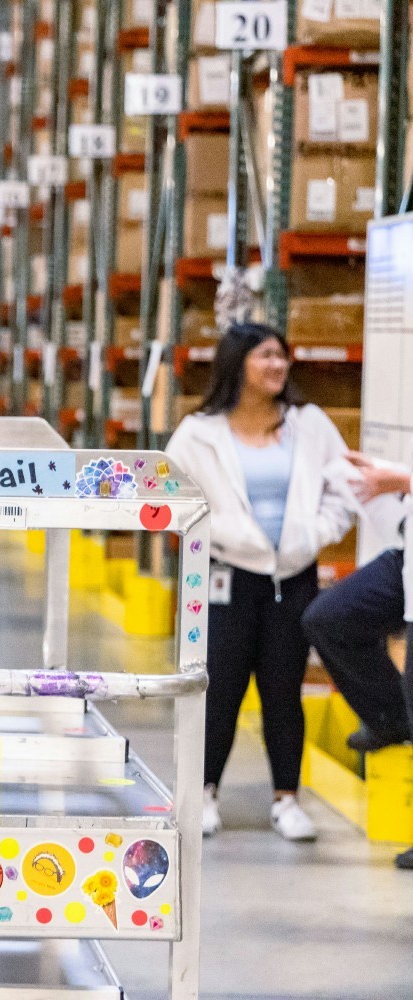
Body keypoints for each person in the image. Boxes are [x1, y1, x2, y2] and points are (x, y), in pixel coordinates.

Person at [165, 322, 356, 842]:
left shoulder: (310, 424)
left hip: (291, 577)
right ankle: (203, 793)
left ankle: (286, 800)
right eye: (265, 356)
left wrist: (316, 533)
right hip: (226, 577)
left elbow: (344, 489)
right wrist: (218, 535)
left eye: (282, 356)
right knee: (219, 688)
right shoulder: (198, 431)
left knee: (283, 690)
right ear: (237, 364)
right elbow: (173, 498)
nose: (278, 365)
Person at [301, 451, 413, 870]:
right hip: (407, 560)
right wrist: (382, 470)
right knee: (329, 618)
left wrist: (401, 481)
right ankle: (390, 718)